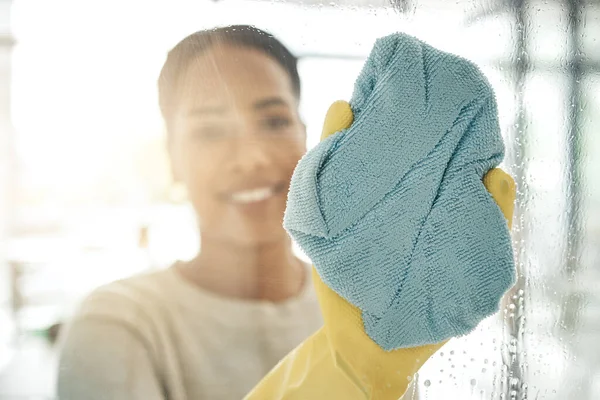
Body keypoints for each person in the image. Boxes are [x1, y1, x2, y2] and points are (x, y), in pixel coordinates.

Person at [57, 25, 322, 400]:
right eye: (210, 131)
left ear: (305, 137)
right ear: (173, 159)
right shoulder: (120, 324)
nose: (250, 158)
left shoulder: (361, 308)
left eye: (274, 122)